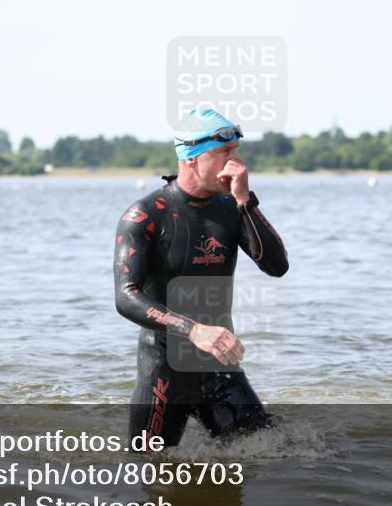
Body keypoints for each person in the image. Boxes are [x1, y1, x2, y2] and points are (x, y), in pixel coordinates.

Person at [114, 110, 288, 448]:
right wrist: (194, 330)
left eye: (236, 150)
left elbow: (277, 266)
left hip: (221, 372)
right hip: (164, 377)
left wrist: (244, 202)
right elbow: (126, 296)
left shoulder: (230, 208)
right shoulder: (145, 215)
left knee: (273, 457)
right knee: (152, 478)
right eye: (224, 152)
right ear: (192, 157)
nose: (236, 162)